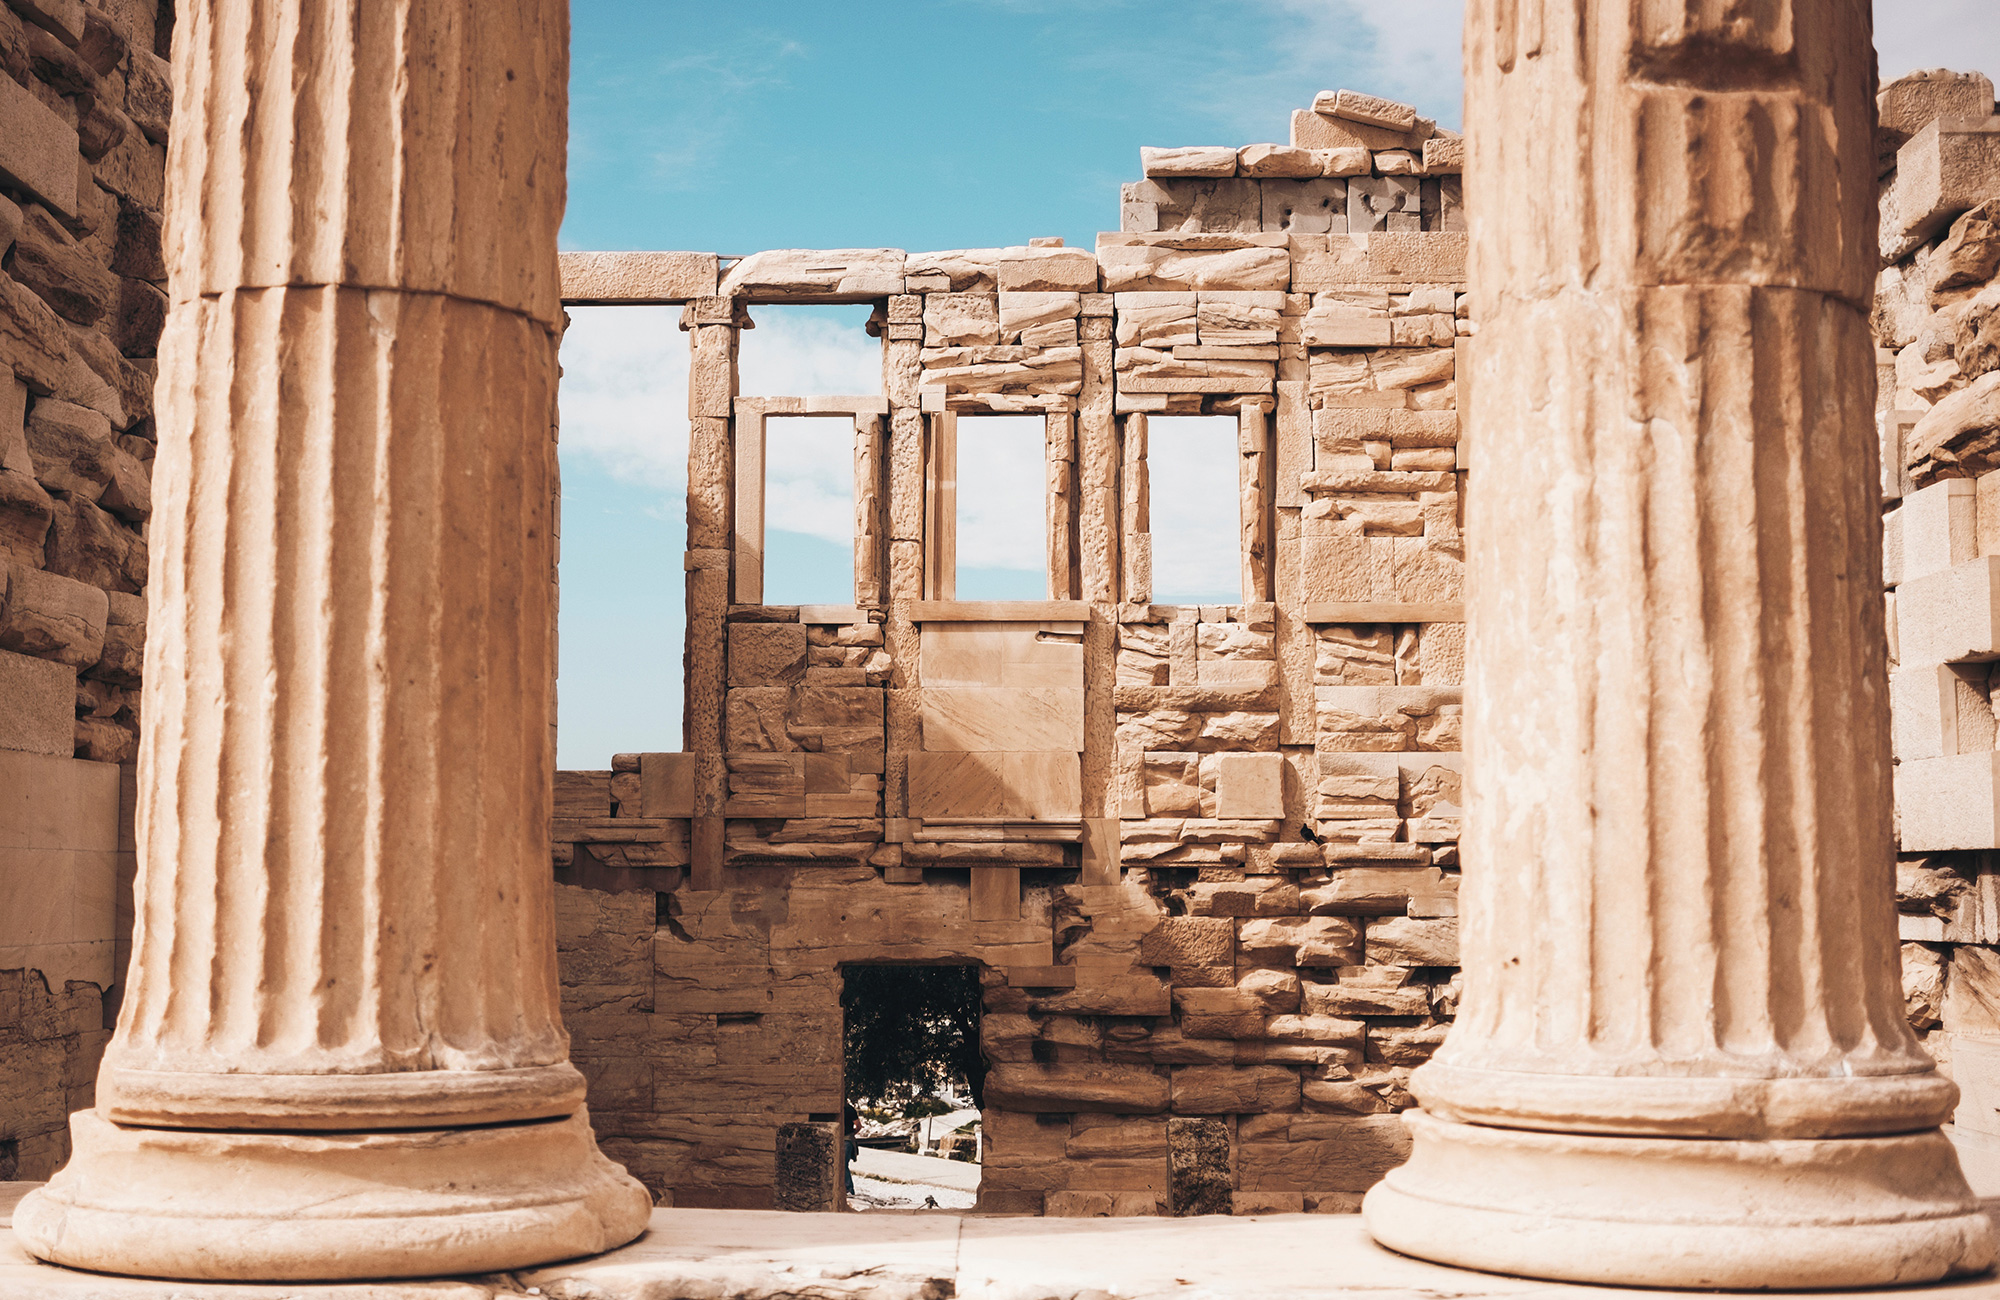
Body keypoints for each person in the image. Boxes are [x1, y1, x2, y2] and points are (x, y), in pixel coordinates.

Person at [843, 1102, 858, 1197]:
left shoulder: (849, 1110)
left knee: (843, 1164)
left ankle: (849, 1189)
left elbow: (858, 1125)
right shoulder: (849, 1109)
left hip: (847, 1140)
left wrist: (850, 1134)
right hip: (846, 1138)